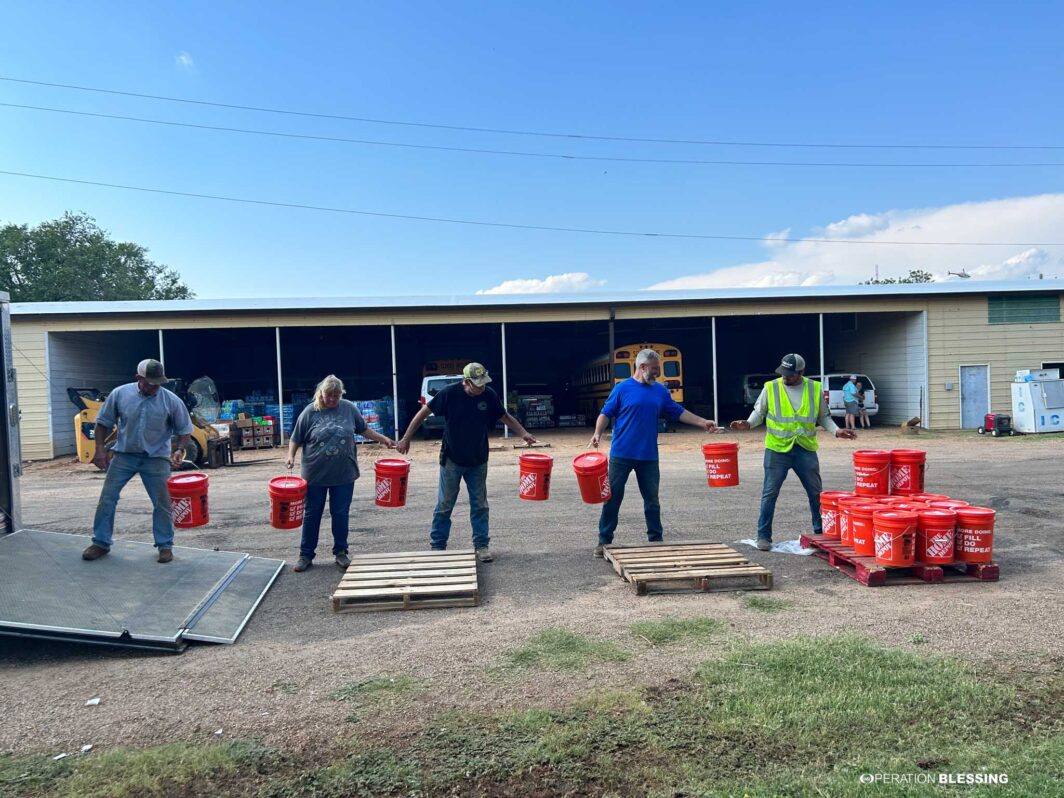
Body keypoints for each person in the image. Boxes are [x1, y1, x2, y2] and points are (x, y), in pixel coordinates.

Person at [397, 362, 536, 562]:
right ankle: (438, 545)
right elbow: (422, 414)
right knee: (445, 504)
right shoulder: (449, 394)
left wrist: (524, 434)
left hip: (478, 459)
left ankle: (481, 545)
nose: (480, 389)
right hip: (452, 459)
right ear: (466, 382)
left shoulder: (489, 395)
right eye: (476, 385)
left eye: (482, 384)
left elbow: (504, 416)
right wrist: (406, 438)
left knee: (480, 504)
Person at [589, 348, 717, 557]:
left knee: (652, 500)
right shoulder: (622, 389)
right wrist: (597, 433)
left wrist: (703, 422)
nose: (658, 373)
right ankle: (604, 541)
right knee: (613, 498)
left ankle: (656, 540)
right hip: (621, 455)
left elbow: (678, 412)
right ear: (642, 367)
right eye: (655, 369)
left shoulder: (660, 391)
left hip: (648, 456)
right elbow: (605, 413)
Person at [730, 353, 857, 551]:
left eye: (790, 375)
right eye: (783, 374)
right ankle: (763, 536)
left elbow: (823, 416)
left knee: (816, 494)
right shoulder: (771, 387)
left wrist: (837, 431)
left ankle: (821, 533)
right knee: (769, 494)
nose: (785, 378)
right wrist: (747, 424)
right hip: (777, 449)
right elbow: (759, 413)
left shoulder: (814, 389)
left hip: (805, 449)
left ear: (801, 373)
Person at [81, 359, 193, 563]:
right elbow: (102, 424)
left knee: (163, 503)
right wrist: (98, 450)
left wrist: (180, 449)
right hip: (125, 455)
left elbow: (185, 430)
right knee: (107, 498)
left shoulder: (171, 400)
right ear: (138, 379)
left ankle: (165, 545)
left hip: (156, 458)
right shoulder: (120, 394)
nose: (155, 387)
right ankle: (101, 543)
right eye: (150, 383)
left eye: (158, 383)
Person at [286, 375, 396, 572]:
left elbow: (364, 430)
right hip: (314, 475)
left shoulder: (348, 408)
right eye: (329, 396)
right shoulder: (310, 412)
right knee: (312, 514)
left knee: (340, 513)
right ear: (321, 394)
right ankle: (306, 555)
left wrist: (384, 439)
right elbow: (296, 438)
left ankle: (341, 552)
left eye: (336, 396)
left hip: (344, 474)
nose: (332, 400)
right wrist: (291, 456)